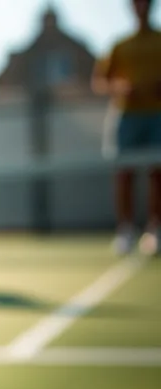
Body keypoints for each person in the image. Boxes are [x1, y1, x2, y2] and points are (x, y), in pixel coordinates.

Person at [93, 0, 161, 256]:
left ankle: (155, 230)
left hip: (157, 113)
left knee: (158, 174)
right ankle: (126, 230)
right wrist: (121, 89)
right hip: (127, 115)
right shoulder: (120, 46)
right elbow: (101, 81)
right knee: (124, 173)